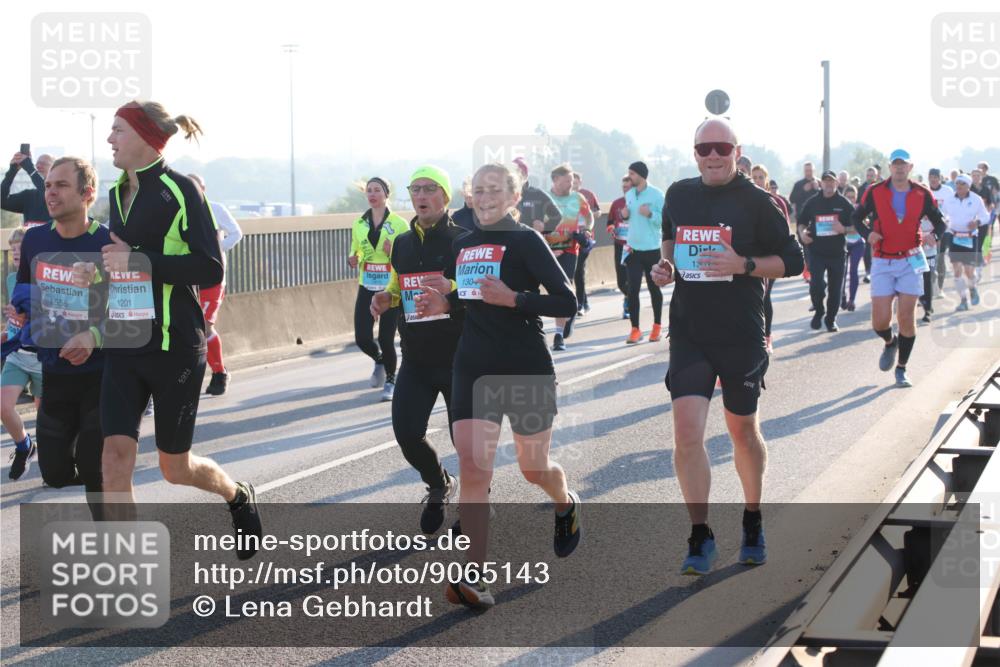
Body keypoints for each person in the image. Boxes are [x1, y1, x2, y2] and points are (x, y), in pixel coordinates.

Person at [414, 162, 581, 610]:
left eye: (495, 190)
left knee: (533, 469)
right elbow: (470, 303)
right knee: (473, 467)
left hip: (525, 366)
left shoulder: (527, 241)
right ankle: (476, 576)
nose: (486, 197)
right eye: (479, 190)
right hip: (472, 365)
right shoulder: (464, 244)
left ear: (512, 196)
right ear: (471, 197)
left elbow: (568, 301)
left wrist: (516, 299)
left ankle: (565, 502)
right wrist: (444, 301)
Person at [100, 100, 261, 558]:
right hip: (126, 341)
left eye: (117, 130)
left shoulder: (182, 189)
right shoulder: (115, 193)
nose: (109, 139)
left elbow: (209, 267)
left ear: (146, 139)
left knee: (175, 468)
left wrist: (141, 262)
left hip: (174, 346)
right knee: (114, 460)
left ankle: (237, 495)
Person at [652, 118, 803, 575]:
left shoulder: (759, 202)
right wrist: (665, 269)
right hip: (691, 332)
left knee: (742, 432)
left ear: (736, 150)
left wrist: (744, 263)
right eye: (704, 149)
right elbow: (669, 245)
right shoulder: (678, 194)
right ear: (694, 153)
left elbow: (793, 260)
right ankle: (700, 534)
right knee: (686, 434)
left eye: (721, 147)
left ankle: (752, 518)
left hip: (740, 332)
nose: (713, 156)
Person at [7, 157, 109, 516]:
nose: (51, 192)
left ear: (87, 194)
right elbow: (21, 288)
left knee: (95, 467)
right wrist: (25, 306)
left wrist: (93, 335)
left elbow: (135, 311)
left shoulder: (108, 242)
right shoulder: (35, 239)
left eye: (61, 185)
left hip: (101, 375)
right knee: (55, 473)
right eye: (48, 185)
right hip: (54, 371)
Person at [370, 165, 466, 534]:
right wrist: (385, 297)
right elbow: (397, 287)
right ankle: (440, 484)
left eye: (430, 189)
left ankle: (476, 502)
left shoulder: (465, 239)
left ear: (445, 196)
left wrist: (450, 293)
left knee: (466, 439)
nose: (422, 196)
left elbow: (477, 292)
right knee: (407, 433)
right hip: (417, 357)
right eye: (416, 190)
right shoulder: (404, 244)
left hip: (461, 356)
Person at [851, 149, 946, 388]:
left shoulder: (921, 193)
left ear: (910, 167)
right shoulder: (875, 191)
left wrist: (935, 234)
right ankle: (889, 342)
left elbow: (940, 221)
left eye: (904, 164)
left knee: (906, 316)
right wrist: (867, 233)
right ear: (890, 167)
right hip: (882, 260)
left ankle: (902, 368)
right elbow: (856, 218)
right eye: (896, 164)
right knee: (880, 321)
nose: (900, 168)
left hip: (911, 259)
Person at [348, 177, 407, 402]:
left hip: (390, 288)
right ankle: (380, 360)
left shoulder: (400, 224)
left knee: (385, 336)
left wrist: (393, 251)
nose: (372, 194)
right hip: (367, 285)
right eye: (369, 191)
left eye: (377, 190)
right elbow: (357, 249)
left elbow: (407, 256)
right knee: (362, 338)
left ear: (386, 194)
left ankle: (391, 379)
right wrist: (353, 258)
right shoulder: (359, 224)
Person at [188, 173, 244, 396]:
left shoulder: (216, 209)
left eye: (196, 187)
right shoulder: (178, 211)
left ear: (204, 188)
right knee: (188, 327)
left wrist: (216, 249)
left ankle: (219, 372)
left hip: (212, 277)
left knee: (205, 324)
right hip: (188, 278)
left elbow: (236, 233)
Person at [2, 227, 41, 479]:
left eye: (21, 246)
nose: (16, 251)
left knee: (47, 418)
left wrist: (26, 317)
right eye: (13, 247)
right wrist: (8, 332)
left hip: (43, 356)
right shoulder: (10, 278)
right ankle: (24, 446)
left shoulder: (45, 277)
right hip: (18, 353)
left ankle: (54, 463)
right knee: (3, 406)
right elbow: (15, 316)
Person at [797, 170, 855, 332]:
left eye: (831, 181)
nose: (828, 184)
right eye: (825, 181)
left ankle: (831, 320)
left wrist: (844, 228)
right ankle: (819, 309)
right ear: (821, 183)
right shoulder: (813, 202)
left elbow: (859, 224)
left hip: (837, 253)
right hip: (817, 252)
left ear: (836, 183)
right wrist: (802, 234)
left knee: (835, 289)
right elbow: (801, 222)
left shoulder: (843, 203)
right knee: (816, 285)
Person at [545, 164, 592, 351]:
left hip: (571, 249)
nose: (571, 184)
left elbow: (589, 217)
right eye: (566, 181)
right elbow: (533, 224)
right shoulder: (544, 199)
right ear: (555, 180)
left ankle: (558, 336)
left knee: (562, 288)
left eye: (572, 181)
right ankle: (570, 309)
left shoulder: (577, 198)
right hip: (548, 248)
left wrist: (586, 229)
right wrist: (547, 246)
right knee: (554, 291)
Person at [623, 160, 666, 344]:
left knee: (653, 288)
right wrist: (624, 215)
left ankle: (657, 326)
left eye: (632, 174)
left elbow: (664, 221)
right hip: (633, 249)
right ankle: (635, 329)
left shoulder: (657, 195)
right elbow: (629, 219)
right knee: (632, 290)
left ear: (641, 175)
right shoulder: (630, 194)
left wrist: (650, 214)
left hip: (652, 249)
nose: (629, 177)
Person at [941, 174, 990, 311]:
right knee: (957, 271)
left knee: (969, 272)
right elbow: (942, 214)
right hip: (954, 236)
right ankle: (963, 300)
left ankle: (972, 287)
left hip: (970, 237)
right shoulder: (949, 199)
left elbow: (985, 217)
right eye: (957, 184)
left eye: (962, 184)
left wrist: (977, 222)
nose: (959, 186)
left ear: (968, 186)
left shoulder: (976, 199)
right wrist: (943, 222)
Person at [751, 165, 786, 353]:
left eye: (760, 177)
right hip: (749, 258)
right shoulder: (744, 200)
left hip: (770, 259)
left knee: (764, 295)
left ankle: (767, 337)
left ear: (766, 180)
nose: (757, 180)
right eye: (754, 177)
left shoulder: (776, 202)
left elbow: (785, 231)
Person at [923, 168, 954, 320]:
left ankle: (939, 288)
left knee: (939, 259)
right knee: (925, 267)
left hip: (943, 230)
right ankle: (924, 294)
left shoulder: (948, 191)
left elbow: (952, 208)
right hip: (925, 234)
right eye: (931, 177)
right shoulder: (925, 191)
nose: (933, 180)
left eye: (936, 177)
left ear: (940, 178)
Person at [572, 171, 600, 315]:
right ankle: (584, 302)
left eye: (575, 183)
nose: (573, 185)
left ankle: (580, 305)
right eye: (571, 182)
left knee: (578, 270)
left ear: (580, 183)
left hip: (585, 238)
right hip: (569, 238)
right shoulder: (564, 198)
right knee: (577, 272)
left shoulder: (586, 195)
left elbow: (597, 212)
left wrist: (588, 223)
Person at [2, 151, 53, 227]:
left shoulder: (59, 196)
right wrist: (12, 170)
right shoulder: (29, 196)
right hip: (30, 238)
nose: (38, 166)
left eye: (44, 163)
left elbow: (48, 193)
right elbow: (2, 201)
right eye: (37, 164)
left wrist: (29, 168)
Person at [789, 162, 820, 283]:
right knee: (805, 245)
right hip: (802, 220)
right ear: (804, 171)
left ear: (814, 171)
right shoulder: (799, 184)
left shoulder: (819, 183)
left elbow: (826, 196)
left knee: (816, 245)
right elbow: (792, 199)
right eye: (807, 170)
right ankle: (809, 271)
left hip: (817, 220)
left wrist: (818, 188)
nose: (809, 172)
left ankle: (815, 271)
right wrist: (803, 190)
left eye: (810, 170)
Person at [606, 176, 632, 319]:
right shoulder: (616, 203)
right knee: (621, 281)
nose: (625, 190)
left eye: (628, 187)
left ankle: (629, 303)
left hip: (635, 246)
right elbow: (609, 222)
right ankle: (629, 296)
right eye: (624, 187)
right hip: (620, 245)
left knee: (632, 277)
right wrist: (611, 229)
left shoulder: (640, 202)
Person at [841, 185, 865, 312]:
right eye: (848, 197)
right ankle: (842, 296)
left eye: (853, 197)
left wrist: (847, 229)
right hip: (844, 244)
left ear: (856, 198)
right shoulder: (840, 209)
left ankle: (852, 300)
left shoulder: (859, 209)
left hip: (857, 243)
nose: (850, 199)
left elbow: (863, 225)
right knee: (842, 272)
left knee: (853, 270)